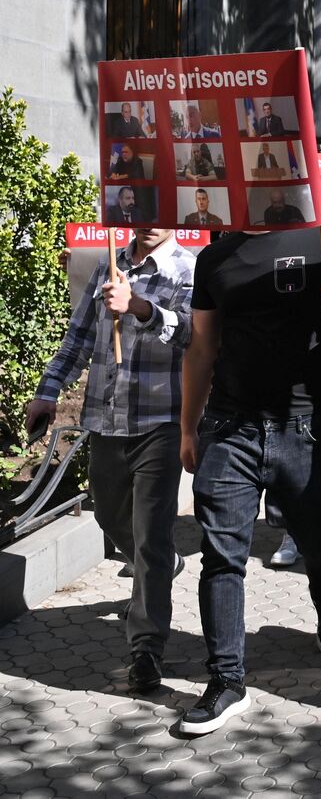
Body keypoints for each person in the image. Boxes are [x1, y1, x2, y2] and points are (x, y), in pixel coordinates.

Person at [175, 212, 321, 734]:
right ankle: (226, 680)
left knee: (319, 541)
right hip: (229, 426)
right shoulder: (215, 256)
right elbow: (202, 347)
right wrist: (189, 427)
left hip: (305, 428)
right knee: (221, 555)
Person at [26, 227, 196, 694]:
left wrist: (140, 307)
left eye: (159, 209)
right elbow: (77, 338)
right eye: (140, 208)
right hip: (105, 419)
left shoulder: (190, 269)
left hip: (160, 422)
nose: (150, 220)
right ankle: (163, 564)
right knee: (107, 514)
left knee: (150, 538)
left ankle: (146, 648)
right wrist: (48, 392)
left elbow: (194, 336)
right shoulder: (109, 265)